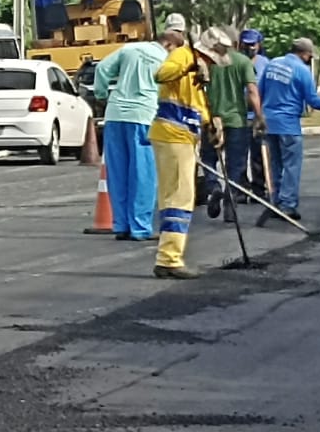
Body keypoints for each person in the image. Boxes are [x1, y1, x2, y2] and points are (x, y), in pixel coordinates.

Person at [151, 26, 228, 279]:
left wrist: (211, 123)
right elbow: (161, 75)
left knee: (174, 196)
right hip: (173, 134)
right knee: (180, 197)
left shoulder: (200, 72)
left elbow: (196, 103)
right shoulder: (185, 56)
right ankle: (169, 259)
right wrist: (189, 67)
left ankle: (168, 256)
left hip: (182, 136)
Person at [93, 33, 174, 241]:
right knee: (143, 173)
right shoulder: (167, 59)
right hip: (144, 116)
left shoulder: (129, 48)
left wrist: (101, 95)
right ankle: (139, 227)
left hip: (115, 114)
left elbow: (102, 68)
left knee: (117, 171)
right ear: (169, 44)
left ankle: (121, 224)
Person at [258, 37, 320, 223]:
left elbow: (259, 91)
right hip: (288, 125)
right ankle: (287, 206)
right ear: (305, 54)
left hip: (269, 123)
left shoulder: (272, 64)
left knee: (276, 166)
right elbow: (314, 101)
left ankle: (276, 202)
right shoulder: (302, 71)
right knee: (291, 167)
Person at [201, 27, 265, 223]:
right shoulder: (242, 62)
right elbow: (252, 91)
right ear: (235, 44)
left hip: (212, 119)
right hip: (237, 120)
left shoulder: (208, 62)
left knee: (208, 158)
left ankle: (214, 187)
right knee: (235, 165)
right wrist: (259, 116)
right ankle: (230, 205)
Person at [239, 28, 270, 197]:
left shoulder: (265, 63)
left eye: (254, 45)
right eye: (247, 45)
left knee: (259, 155)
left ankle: (259, 189)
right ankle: (242, 190)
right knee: (240, 155)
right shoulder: (235, 61)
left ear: (259, 45)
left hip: (258, 115)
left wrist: (262, 114)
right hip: (240, 116)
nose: (250, 48)